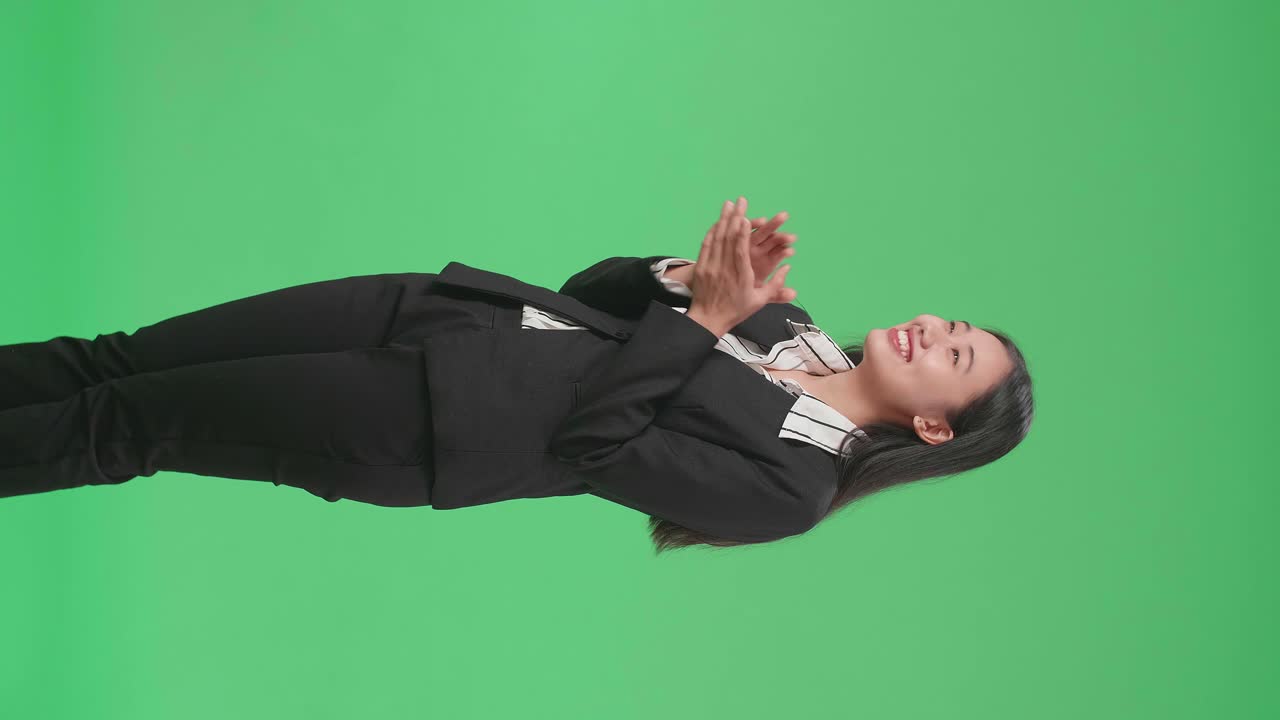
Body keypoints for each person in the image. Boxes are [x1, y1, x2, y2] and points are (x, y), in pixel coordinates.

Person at [0, 196, 1034, 554]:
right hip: (441, 313)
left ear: (937, 429)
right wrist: (684, 278)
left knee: (124, 425)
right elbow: (587, 297)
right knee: (114, 361)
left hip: (425, 420)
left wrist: (707, 321)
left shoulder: (792, 491)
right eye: (950, 323)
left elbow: (595, 445)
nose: (931, 331)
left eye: (954, 358)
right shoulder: (788, 326)